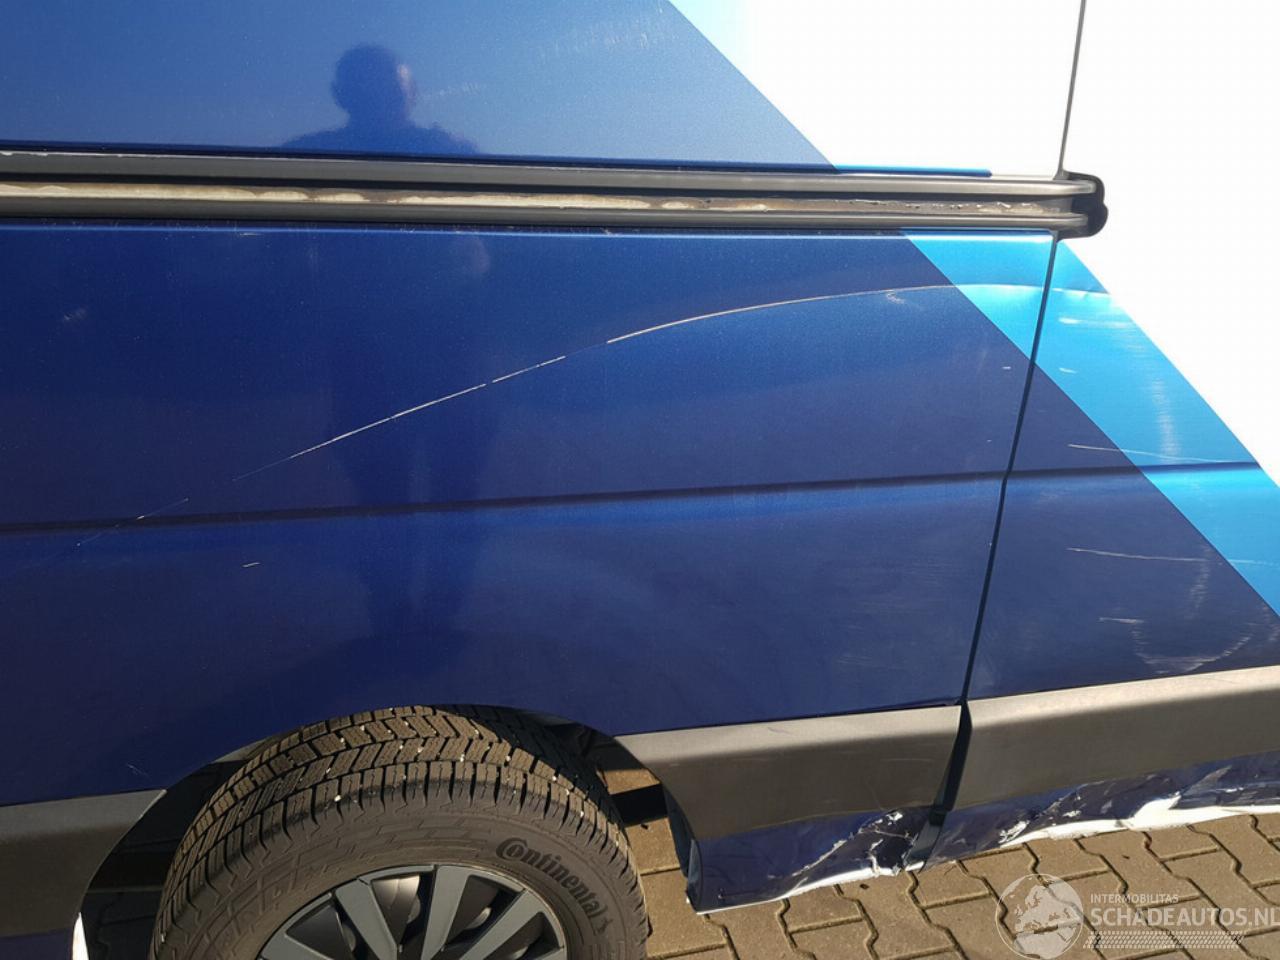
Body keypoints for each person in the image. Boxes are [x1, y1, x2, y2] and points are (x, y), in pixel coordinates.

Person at [285, 44, 475, 156]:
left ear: (414, 92)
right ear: (340, 95)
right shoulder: (302, 156)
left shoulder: (452, 153)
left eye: (391, 89)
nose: (381, 101)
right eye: (366, 91)